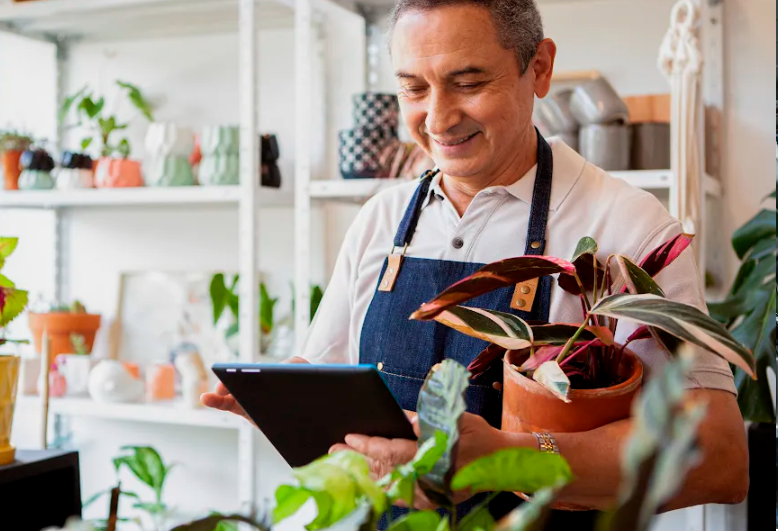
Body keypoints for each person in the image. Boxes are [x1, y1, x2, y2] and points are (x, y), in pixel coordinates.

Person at [203, 0, 748, 524]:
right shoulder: (381, 220)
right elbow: (331, 394)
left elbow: (718, 459)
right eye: (413, 88)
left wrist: (503, 456)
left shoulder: (628, 227)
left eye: (468, 82)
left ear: (538, 68)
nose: (437, 118)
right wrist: (288, 406)